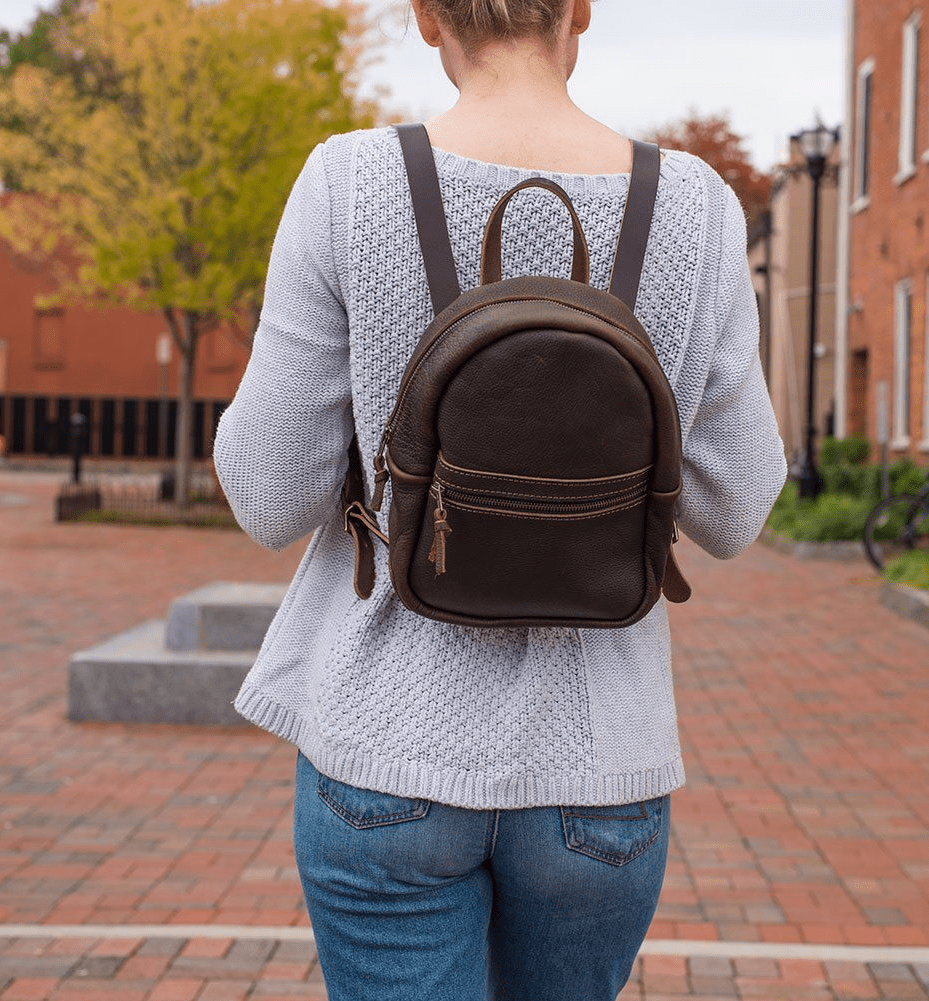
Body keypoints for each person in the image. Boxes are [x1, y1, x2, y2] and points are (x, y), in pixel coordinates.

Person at [213, 1, 787, 998]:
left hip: (385, 748)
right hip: (597, 769)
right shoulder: (693, 206)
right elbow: (733, 508)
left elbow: (269, 495)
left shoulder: (349, 183)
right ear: (580, 11)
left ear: (426, 17)